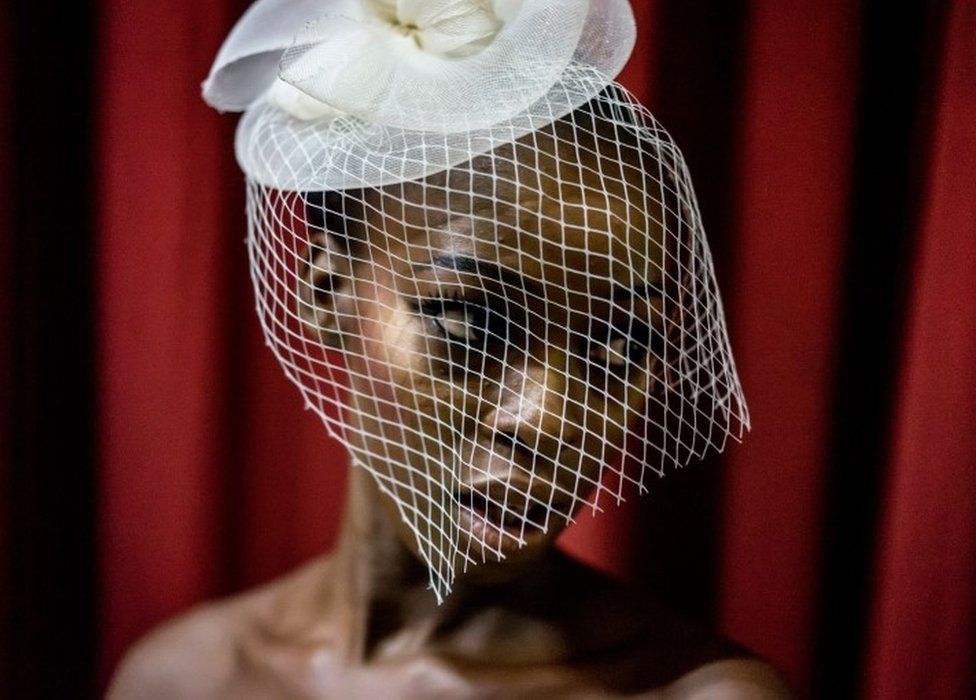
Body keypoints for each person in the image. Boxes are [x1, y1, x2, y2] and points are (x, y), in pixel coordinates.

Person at [110, 1, 790, 696]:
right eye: (469, 323)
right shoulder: (181, 678)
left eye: (623, 344)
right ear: (325, 292)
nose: (547, 419)